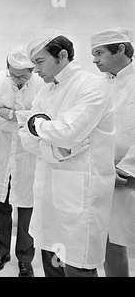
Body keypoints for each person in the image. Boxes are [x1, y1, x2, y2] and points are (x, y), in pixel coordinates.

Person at [18, 29, 115, 277]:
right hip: (49, 190)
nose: (36, 70)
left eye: (40, 62)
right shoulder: (44, 91)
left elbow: (69, 132)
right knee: (51, 260)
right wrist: (56, 149)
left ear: (61, 55)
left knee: (77, 267)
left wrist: (35, 124)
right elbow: (26, 140)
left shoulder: (92, 86)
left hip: (80, 194)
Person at [0, 46, 44, 277]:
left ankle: (25, 258)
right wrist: (25, 121)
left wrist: (8, 114)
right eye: (14, 75)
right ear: (6, 68)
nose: (19, 80)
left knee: (27, 206)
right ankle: (1, 253)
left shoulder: (41, 85)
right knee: (1, 205)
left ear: (32, 70)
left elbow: (41, 121)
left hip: (28, 155)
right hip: (1, 154)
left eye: (24, 75)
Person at [90, 27, 135, 277]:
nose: (94, 59)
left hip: (129, 172)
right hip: (106, 171)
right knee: (110, 238)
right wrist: (105, 167)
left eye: (99, 53)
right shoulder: (98, 85)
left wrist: (127, 168)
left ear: (120, 49)